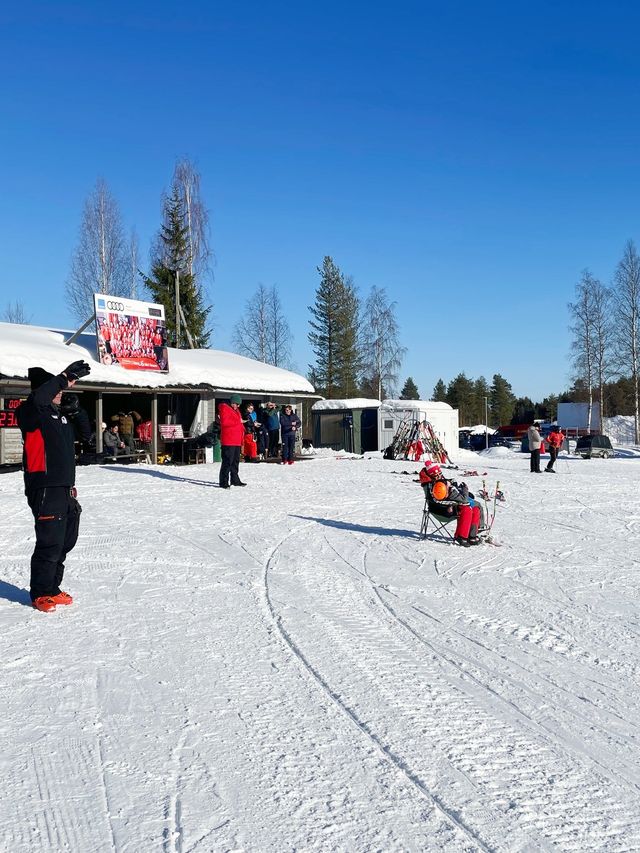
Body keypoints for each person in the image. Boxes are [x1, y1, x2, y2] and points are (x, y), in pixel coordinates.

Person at [16, 359, 91, 612]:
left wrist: (77, 412)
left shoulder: (57, 416)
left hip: (65, 487)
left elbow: (85, 436)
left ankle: (52, 588)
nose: (60, 392)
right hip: (45, 486)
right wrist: (62, 377)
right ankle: (40, 592)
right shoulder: (31, 412)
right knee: (49, 541)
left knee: (65, 540)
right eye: (56, 389)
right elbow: (40, 398)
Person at [419, 460, 482, 546]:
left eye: (439, 473)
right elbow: (436, 500)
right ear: (431, 475)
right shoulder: (436, 486)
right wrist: (457, 500)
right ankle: (461, 536)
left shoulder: (441, 482)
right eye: (436, 474)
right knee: (467, 509)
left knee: (475, 508)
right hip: (442, 510)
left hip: (448, 505)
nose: (439, 476)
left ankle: (471, 536)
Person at [218, 395, 247, 487]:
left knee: (235, 461)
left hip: (236, 440)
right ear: (231, 402)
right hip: (228, 440)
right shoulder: (224, 408)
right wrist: (239, 421)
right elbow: (225, 422)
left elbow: (238, 422)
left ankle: (235, 480)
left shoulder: (236, 410)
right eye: (235, 403)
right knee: (227, 462)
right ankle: (223, 482)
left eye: (238, 404)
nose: (236, 406)